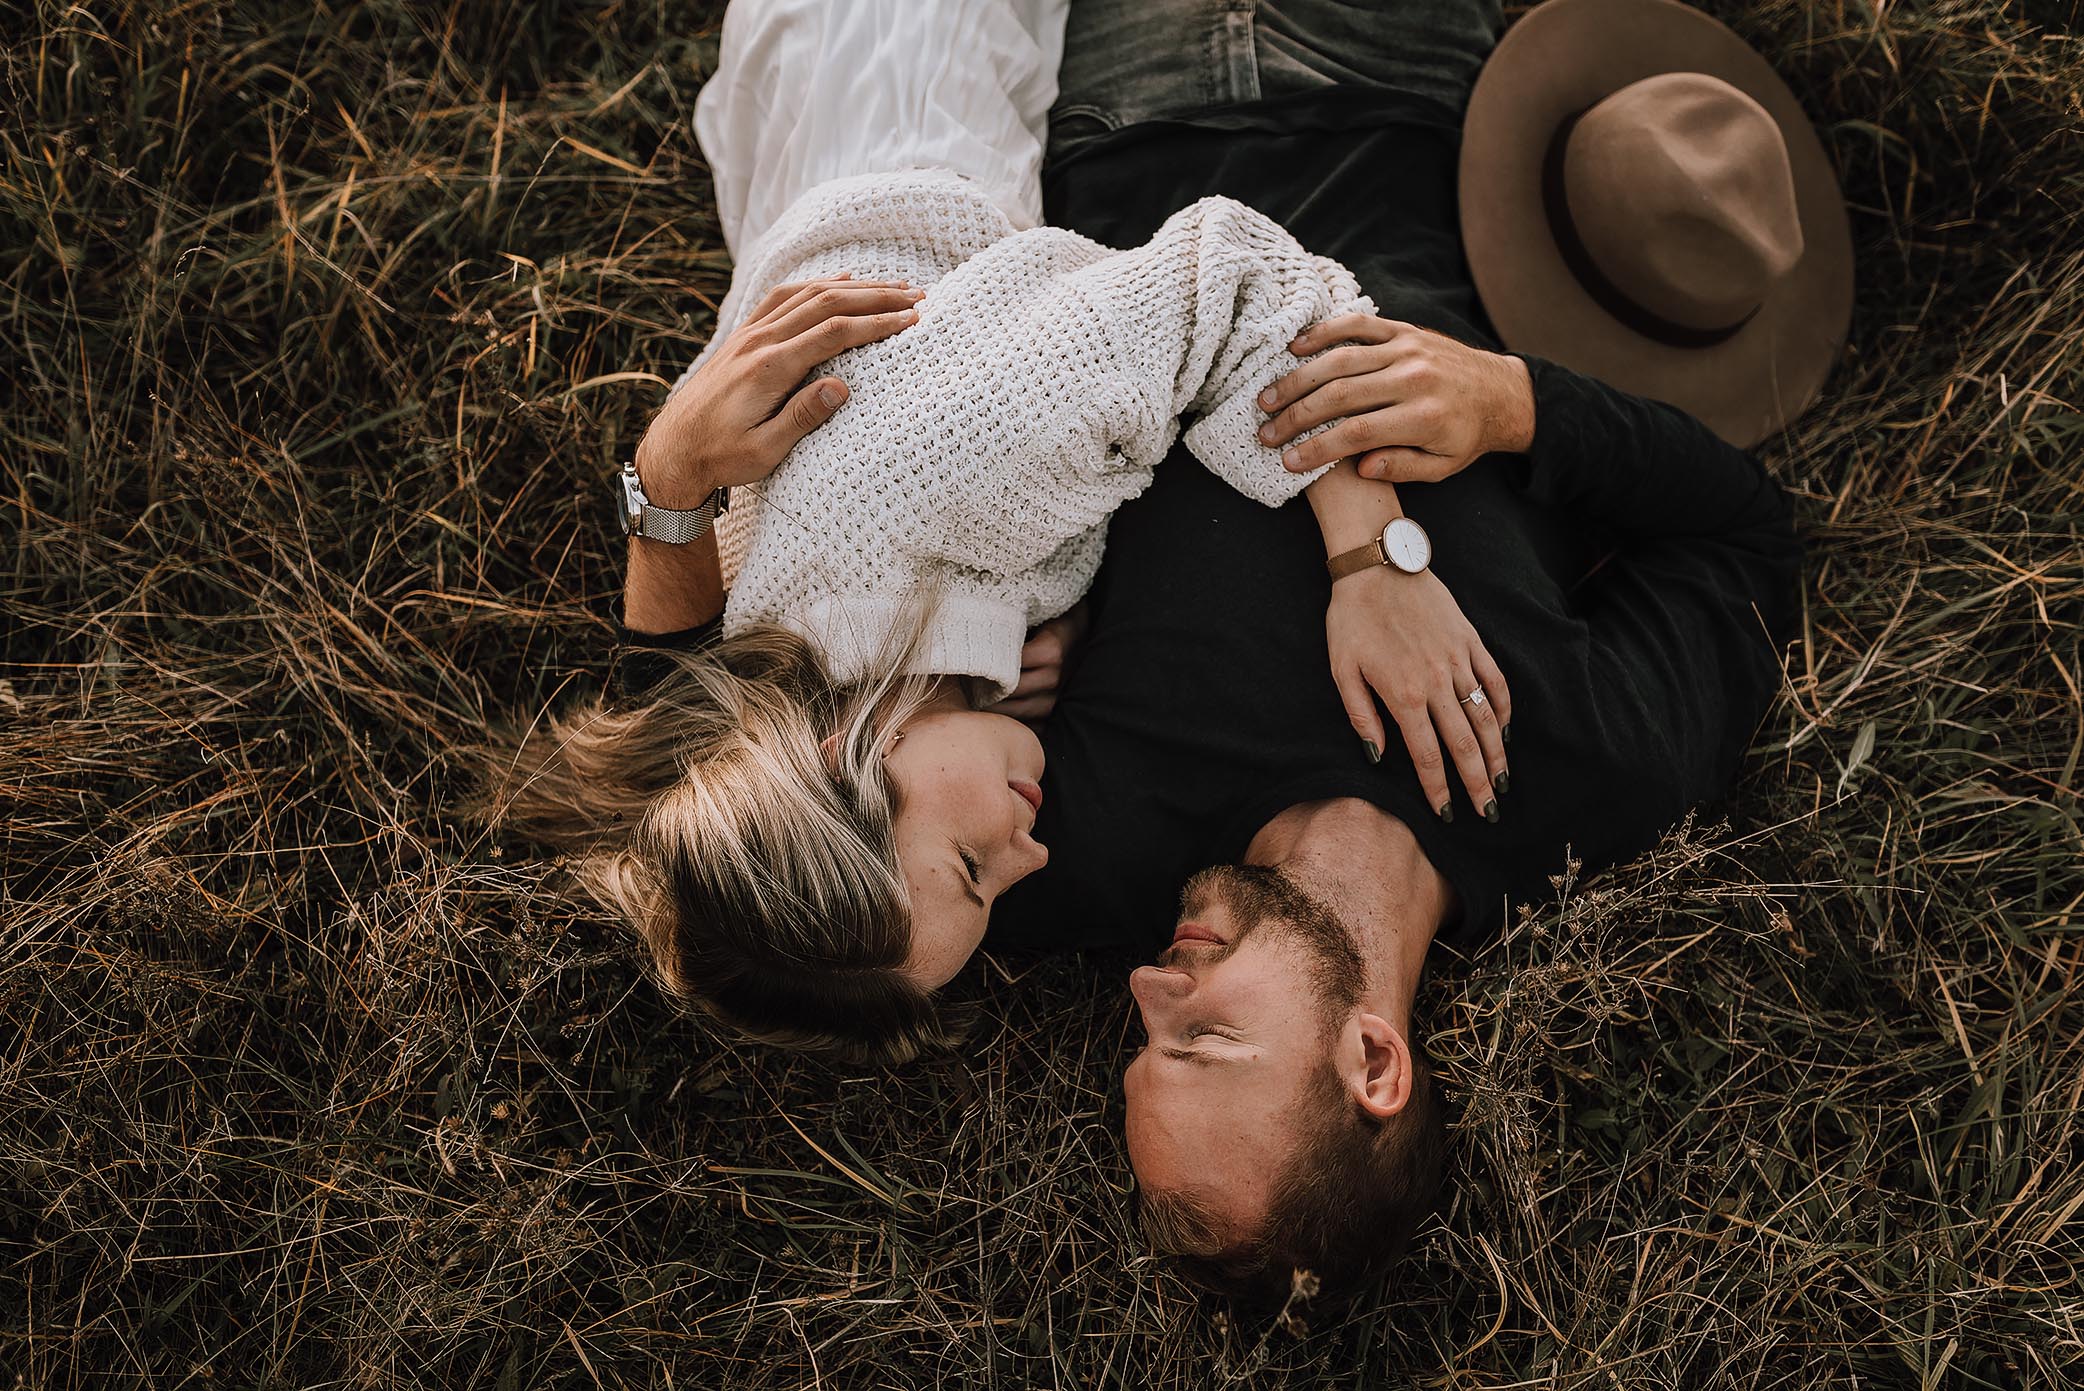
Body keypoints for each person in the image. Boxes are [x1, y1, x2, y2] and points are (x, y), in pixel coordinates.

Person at [980, 0, 1849, 1297]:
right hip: (1411, 95)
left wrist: (999, 644)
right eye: (1205, 1035)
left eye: (1140, 1036)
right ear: (1374, 1060)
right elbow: (1744, 537)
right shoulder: (1589, 781)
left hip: (1119, 117)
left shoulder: (1074, 854)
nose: (1154, 983)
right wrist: (1513, 404)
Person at [495, 0, 1515, 1062]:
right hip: (829, 131)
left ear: (856, 749)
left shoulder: (939, 468)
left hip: (914, 50)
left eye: (971, 868)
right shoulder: (801, 693)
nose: (1030, 853)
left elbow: (1233, 275)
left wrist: (1371, 561)